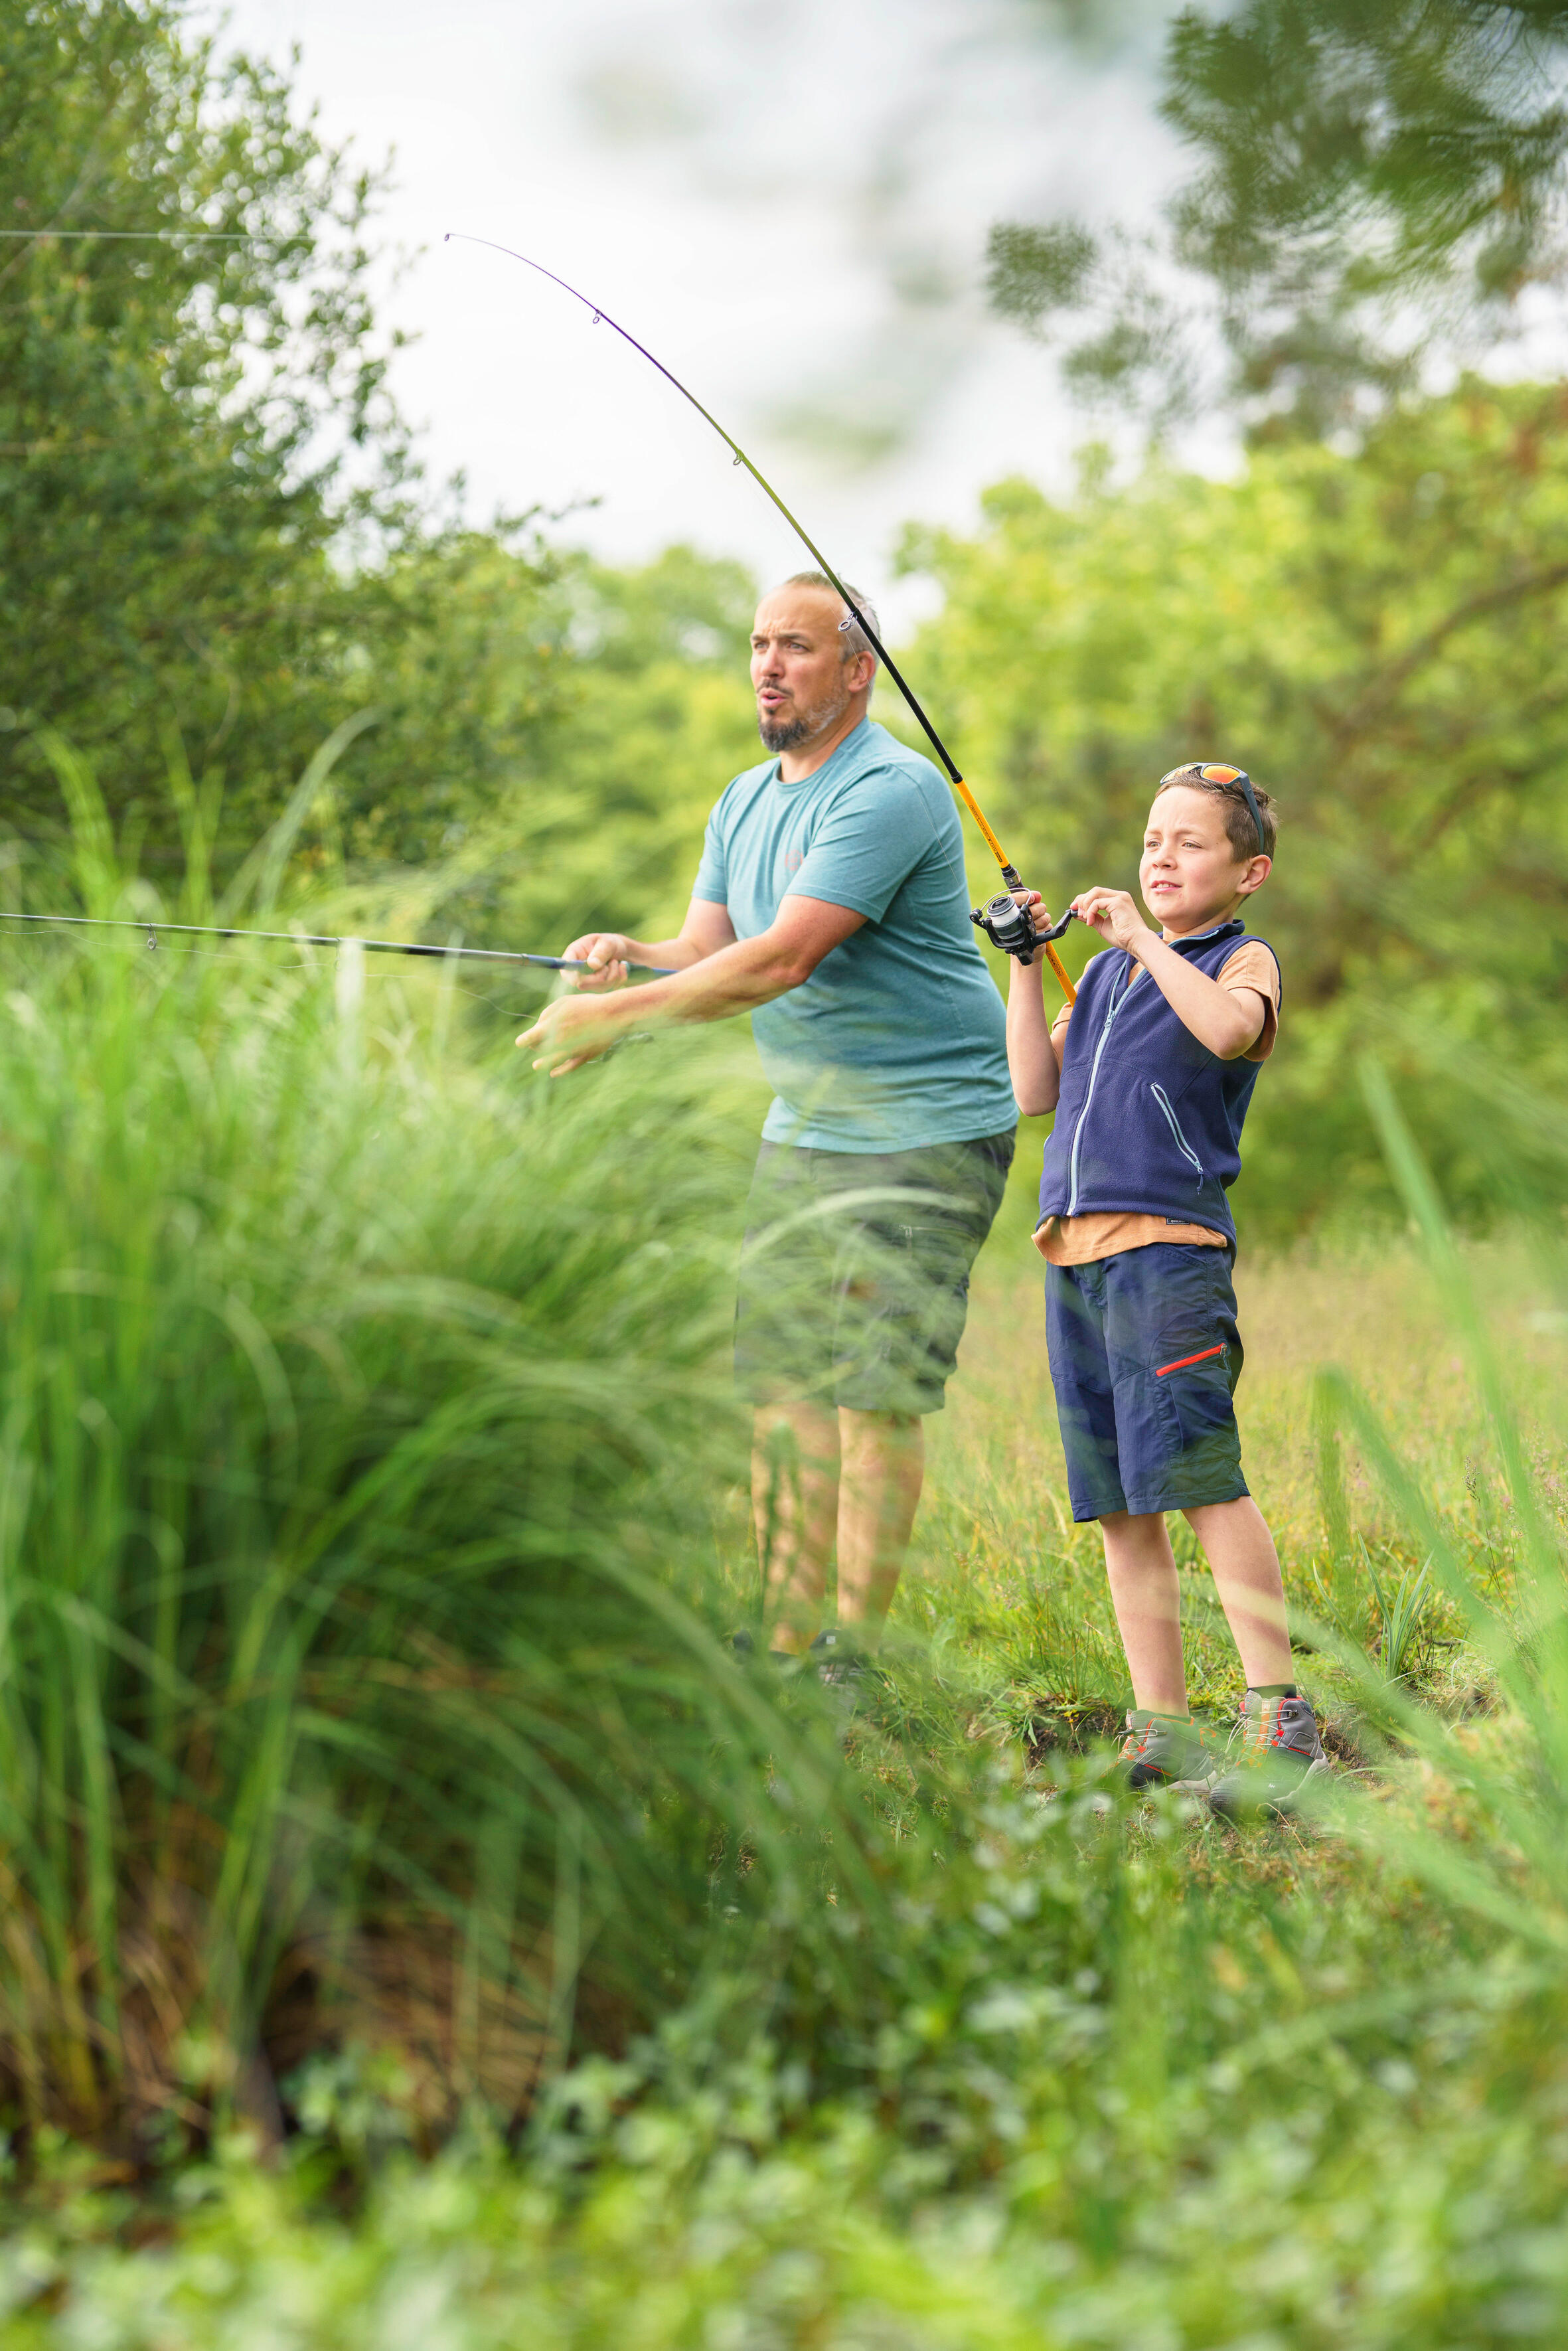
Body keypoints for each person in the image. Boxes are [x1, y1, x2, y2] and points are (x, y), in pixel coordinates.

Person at [518, 572, 1018, 1675]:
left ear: (856, 669)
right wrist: (629, 960)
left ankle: (854, 1651)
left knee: (873, 1396)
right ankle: (785, 1637)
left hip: (926, 1126)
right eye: (757, 644)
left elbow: (784, 958)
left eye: (794, 645)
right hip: (809, 1128)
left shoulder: (887, 791)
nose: (767, 665)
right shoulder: (743, 798)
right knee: (783, 1388)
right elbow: (708, 952)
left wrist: (612, 1019)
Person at [1005, 762, 1328, 1817]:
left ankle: (1279, 1717)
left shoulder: (1242, 958)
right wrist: (1026, 964)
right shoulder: (1098, 981)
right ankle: (1163, 1728)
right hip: (1077, 1258)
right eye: (1153, 840)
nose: (1161, 858)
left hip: (1168, 1254)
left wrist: (1139, 939)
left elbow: (1229, 1032)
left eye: (1189, 843)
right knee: (1117, 1503)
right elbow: (1031, 1093)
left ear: (1249, 872)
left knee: (1196, 1476)